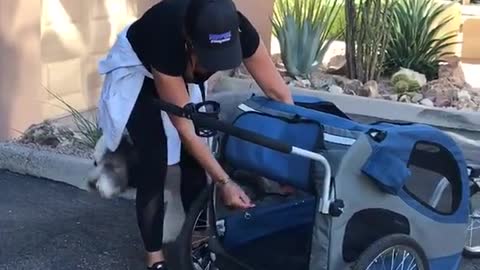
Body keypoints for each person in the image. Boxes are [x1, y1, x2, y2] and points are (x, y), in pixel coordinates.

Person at [96, 0, 293, 269]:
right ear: (190, 42)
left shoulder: (240, 31)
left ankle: (198, 240)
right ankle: (155, 257)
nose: (214, 67)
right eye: (210, 58)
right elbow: (185, 128)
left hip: (180, 68)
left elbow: (279, 94)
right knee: (155, 159)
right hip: (139, 74)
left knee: (194, 165)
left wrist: (290, 164)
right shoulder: (165, 39)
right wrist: (224, 183)